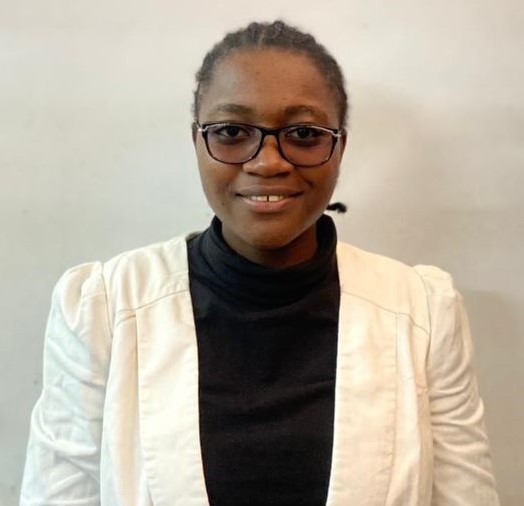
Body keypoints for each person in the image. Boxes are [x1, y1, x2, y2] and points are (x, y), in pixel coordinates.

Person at [20, 20, 500, 506]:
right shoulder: (102, 309)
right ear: (197, 143)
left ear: (339, 147)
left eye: (304, 133)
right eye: (231, 131)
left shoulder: (423, 314)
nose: (268, 162)